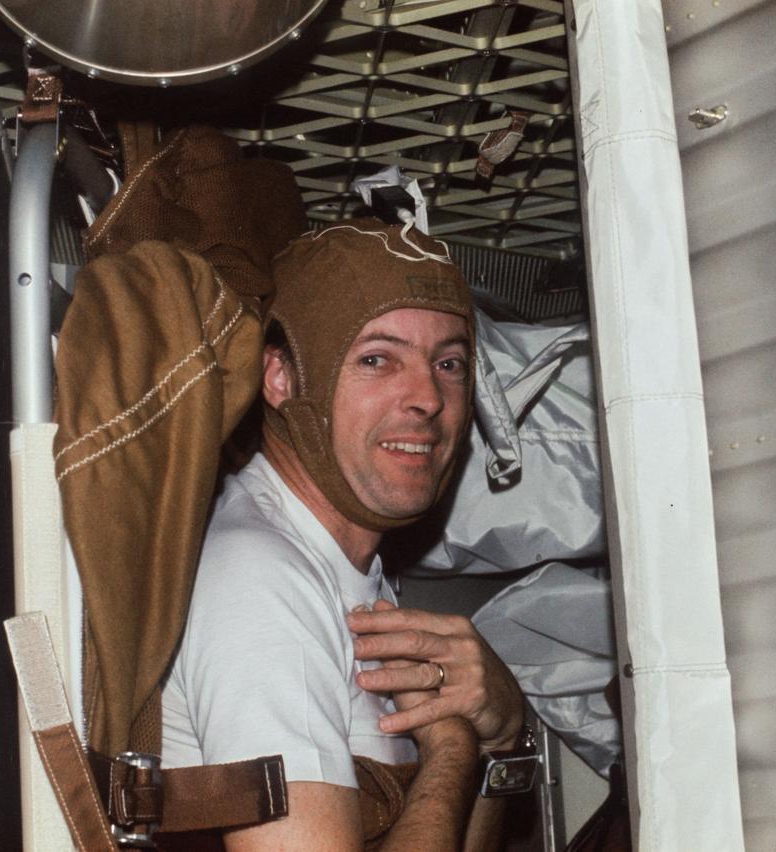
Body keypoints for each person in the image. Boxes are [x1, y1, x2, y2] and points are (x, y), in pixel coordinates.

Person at [161, 219, 526, 850]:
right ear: (281, 378)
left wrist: (500, 736)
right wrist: (451, 747)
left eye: (449, 363)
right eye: (377, 360)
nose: (428, 398)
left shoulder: (346, 569)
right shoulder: (259, 577)